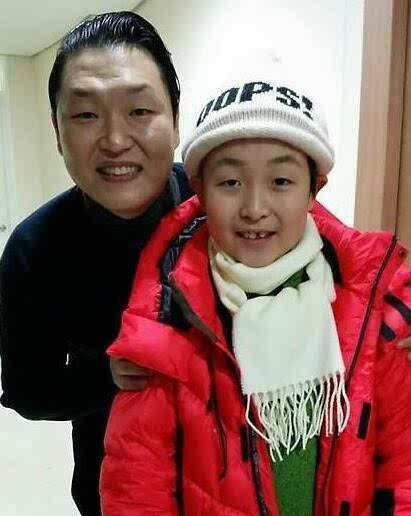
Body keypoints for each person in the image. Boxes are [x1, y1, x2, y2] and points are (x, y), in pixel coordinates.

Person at [100, 54, 411, 515]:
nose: (254, 207)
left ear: (314, 188)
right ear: (200, 189)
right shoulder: (166, 315)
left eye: (281, 180)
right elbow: (137, 482)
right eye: (230, 182)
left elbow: (404, 460)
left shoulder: (372, 303)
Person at [0, 11, 191, 516]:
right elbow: (28, 392)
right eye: (86, 115)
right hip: (115, 482)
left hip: (245, 475)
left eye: (139, 110)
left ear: (175, 119)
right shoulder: (34, 248)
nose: (114, 140)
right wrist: (108, 375)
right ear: (57, 132)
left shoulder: (223, 203)